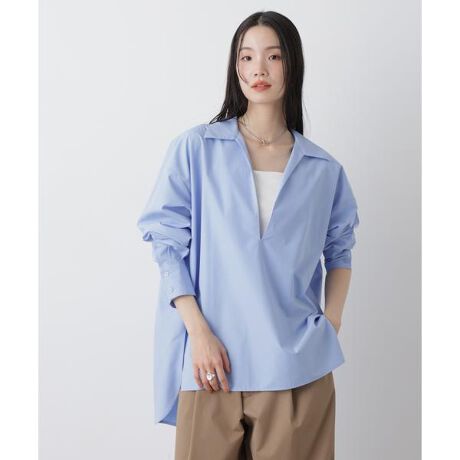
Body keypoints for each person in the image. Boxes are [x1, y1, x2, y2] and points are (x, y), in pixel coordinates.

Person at [137, 10, 360, 460]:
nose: (259, 68)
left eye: (273, 56)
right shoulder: (196, 149)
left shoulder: (323, 170)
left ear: (292, 64)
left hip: (296, 367)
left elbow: (340, 250)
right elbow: (166, 242)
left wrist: (330, 323)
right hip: (211, 366)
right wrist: (198, 332)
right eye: (247, 56)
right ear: (235, 66)